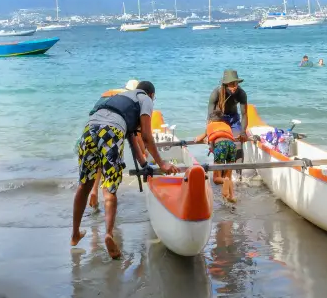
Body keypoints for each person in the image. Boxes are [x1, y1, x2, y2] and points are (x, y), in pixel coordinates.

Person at [72, 80, 177, 259]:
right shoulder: (146, 99)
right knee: (110, 188)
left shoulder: (120, 99)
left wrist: (145, 166)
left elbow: (134, 143)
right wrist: (162, 164)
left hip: (89, 130)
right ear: (151, 95)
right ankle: (108, 234)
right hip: (111, 131)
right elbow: (146, 136)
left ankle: (75, 233)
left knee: (85, 185)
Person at [88, 79, 140, 210]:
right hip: (112, 128)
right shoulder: (131, 101)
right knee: (111, 166)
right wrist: (143, 157)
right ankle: (109, 199)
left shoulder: (112, 94)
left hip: (91, 126)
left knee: (98, 160)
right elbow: (134, 135)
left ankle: (94, 191)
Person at [195, 109, 238, 203]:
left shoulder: (210, 126)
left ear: (210, 121)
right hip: (232, 146)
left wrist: (200, 139)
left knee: (216, 179)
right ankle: (231, 196)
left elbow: (198, 139)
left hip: (221, 145)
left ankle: (225, 182)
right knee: (228, 176)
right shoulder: (226, 126)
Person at [207, 69, 249, 160]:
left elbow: (244, 115)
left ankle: (238, 173)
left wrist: (243, 132)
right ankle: (220, 170)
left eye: (236, 84)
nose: (235, 87)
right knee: (219, 145)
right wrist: (209, 137)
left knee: (238, 144)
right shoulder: (216, 93)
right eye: (232, 84)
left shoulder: (241, 94)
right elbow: (210, 116)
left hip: (234, 119)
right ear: (225, 85)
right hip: (219, 120)